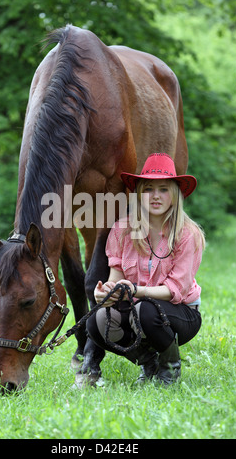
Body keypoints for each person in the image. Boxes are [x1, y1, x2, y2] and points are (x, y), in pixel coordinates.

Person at [86, 153, 205, 385]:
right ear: (139, 193)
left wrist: (137, 290)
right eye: (149, 189)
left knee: (146, 310)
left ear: (175, 194)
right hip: (138, 309)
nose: (156, 196)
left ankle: (170, 367)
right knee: (96, 321)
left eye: (164, 189)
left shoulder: (187, 234)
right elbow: (117, 278)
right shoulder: (122, 230)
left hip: (179, 314)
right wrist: (107, 293)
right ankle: (147, 361)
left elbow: (174, 291)